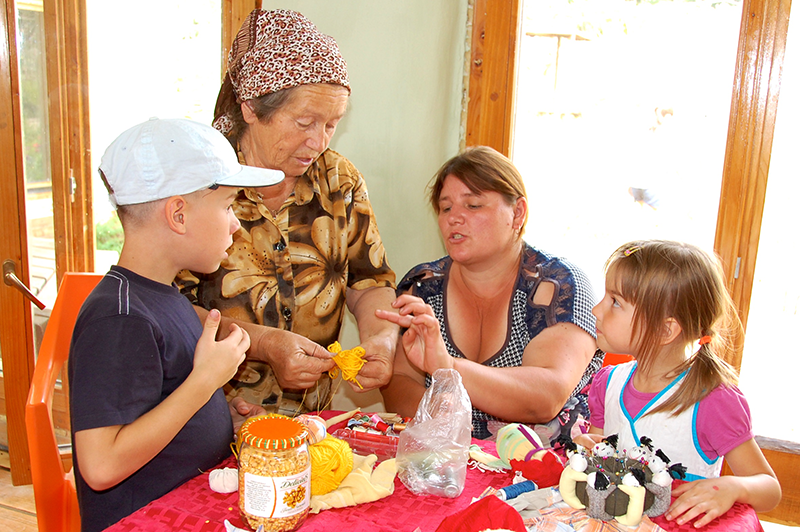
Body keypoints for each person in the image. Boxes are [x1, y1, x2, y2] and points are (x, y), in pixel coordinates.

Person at [179, 9, 398, 414]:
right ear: (250, 109)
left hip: (313, 417)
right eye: (304, 121)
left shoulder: (338, 180)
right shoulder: (201, 183)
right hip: (214, 412)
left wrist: (381, 339)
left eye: (332, 124)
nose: (318, 141)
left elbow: (370, 280)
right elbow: (168, 310)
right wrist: (262, 344)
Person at [68, 118, 281, 531]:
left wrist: (218, 420)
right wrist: (205, 382)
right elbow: (101, 464)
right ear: (178, 214)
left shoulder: (165, 297)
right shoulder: (119, 318)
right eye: (226, 206)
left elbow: (158, 411)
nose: (236, 224)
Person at [378, 146, 603, 440]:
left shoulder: (559, 284)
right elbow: (399, 380)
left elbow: (546, 396)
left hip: (551, 471)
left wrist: (448, 368)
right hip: (446, 463)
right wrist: (443, 422)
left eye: (473, 205)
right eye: (445, 208)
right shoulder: (422, 286)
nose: (453, 218)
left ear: (517, 212)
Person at [577, 240, 780, 527]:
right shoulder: (607, 383)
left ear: (665, 329)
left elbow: (770, 488)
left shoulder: (712, 400)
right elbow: (600, 451)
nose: (597, 310)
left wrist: (733, 488)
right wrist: (588, 450)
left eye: (615, 302)